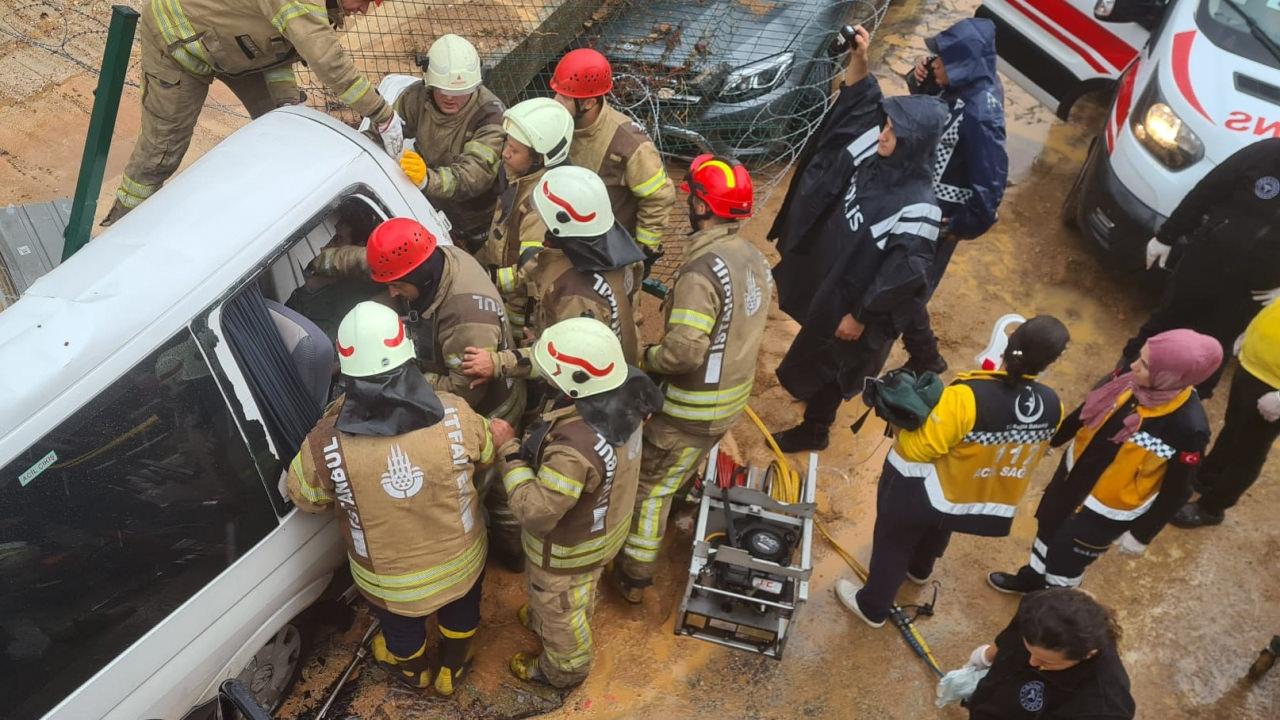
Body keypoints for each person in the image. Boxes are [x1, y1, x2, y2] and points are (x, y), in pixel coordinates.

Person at [286, 301, 493, 696]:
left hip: (389, 581)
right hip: (462, 562)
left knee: (400, 629)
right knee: (462, 608)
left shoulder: (327, 442)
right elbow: (485, 456)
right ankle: (453, 664)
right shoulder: (456, 413)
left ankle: (415, 672)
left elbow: (306, 497)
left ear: (345, 368)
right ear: (407, 355)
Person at [768, 25, 949, 452]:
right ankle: (812, 394)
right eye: (886, 125)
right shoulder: (877, 148)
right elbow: (857, 103)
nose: (883, 133)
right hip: (832, 283)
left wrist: (861, 315)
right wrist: (861, 58)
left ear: (914, 144)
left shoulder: (920, 207)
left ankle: (816, 428)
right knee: (814, 347)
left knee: (834, 364)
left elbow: (903, 277)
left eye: (893, 131)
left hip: (856, 307)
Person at [835, 316, 1069, 627]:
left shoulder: (967, 395)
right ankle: (919, 570)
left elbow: (916, 450)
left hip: (929, 489)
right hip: (968, 493)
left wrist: (900, 421)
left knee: (894, 540)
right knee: (939, 525)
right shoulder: (1054, 404)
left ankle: (872, 606)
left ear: (1009, 345)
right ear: (1051, 362)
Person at [610, 153, 773, 602]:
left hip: (691, 409)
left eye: (693, 197)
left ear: (703, 207)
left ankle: (633, 577)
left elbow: (684, 352)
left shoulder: (701, 272)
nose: (689, 204)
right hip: (728, 400)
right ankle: (679, 491)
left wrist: (644, 357)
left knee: (648, 490)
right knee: (675, 472)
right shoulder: (751, 256)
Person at [105, 0, 404, 224]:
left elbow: (280, 41)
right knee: (162, 153)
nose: (365, 10)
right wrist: (382, 113)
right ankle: (119, 231)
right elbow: (328, 61)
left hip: (235, 46)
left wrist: (287, 102)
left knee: (289, 128)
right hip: (178, 43)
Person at [489, 317, 663, 687]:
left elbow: (534, 512)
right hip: (604, 528)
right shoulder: (623, 393)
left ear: (573, 384)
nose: (546, 378)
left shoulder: (573, 450)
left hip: (568, 552)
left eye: (553, 374)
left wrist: (509, 450)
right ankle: (543, 617)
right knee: (573, 595)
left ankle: (563, 670)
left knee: (562, 613)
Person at [988, 329, 1221, 593]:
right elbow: (1083, 414)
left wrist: (1142, 535)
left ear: (1170, 377)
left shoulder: (1188, 428)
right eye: (1140, 357)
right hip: (1072, 479)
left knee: (1066, 562)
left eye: (1144, 364)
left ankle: (1049, 606)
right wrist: (1047, 442)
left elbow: (1178, 489)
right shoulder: (1127, 379)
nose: (1132, 366)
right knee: (1047, 532)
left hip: (1104, 512)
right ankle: (1032, 577)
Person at [459, 165, 644, 391]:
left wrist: (498, 363)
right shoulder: (613, 251)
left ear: (561, 223)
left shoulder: (576, 293)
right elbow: (530, 273)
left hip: (590, 391)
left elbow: (570, 362)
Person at [1120, 137, 1280, 398]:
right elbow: (1208, 189)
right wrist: (1167, 236)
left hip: (1251, 292)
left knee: (1214, 350)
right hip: (1205, 262)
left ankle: (1181, 410)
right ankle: (1122, 382)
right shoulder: (1267, 153)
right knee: (1164, 322)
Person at [899, 18, 1008, 374]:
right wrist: (921, 82)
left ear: (962, 64)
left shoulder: (981, 111)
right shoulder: (962, 86)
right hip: (916, 202)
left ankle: (924, 357)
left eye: (941, 61)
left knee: (908, 286)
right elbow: (930, 119)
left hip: (938, 218)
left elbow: (991, 185)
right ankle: (923, 353)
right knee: (898, 280)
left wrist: (961, 226)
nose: (935, 65)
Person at [551, 48, 675, 264]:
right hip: (564, 239)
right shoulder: (556, 125)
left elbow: (659, 196)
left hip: (608, 252)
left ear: (588, 103)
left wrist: (642, 251)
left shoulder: (629, 143)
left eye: (565, 97)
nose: (555, 101)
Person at [394, 34, 506, 252]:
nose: (450, 98)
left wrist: (428, 180)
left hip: (474, 218)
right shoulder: (416, 97)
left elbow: (473, 176)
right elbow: (390, 130)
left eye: (460, 92)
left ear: (474, 87)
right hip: (431, 203)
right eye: (443, 91)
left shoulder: (490, 116)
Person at [1173, 298, 1280, 527]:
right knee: (1232, 430)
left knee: (1249, 453)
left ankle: (1212, 507)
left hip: (1274, 389)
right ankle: (1205, 477)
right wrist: (1251, 334)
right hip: (1252, 367)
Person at [960, 588, 1135, 719]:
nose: (1032, 662)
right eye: (1028, 649)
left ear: (1087, 654)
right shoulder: (1039, 609)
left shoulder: (1103, 707)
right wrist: (985, 656)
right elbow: (1010, 637)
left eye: (1047, 661)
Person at [479, 97, 576, 331]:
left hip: (521, 309)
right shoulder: (521, 178)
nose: (505, 154)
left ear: (540, 159)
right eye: (507, 144)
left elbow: (530, 271)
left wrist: (485, 279)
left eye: (515, 150)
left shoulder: (541, 206)